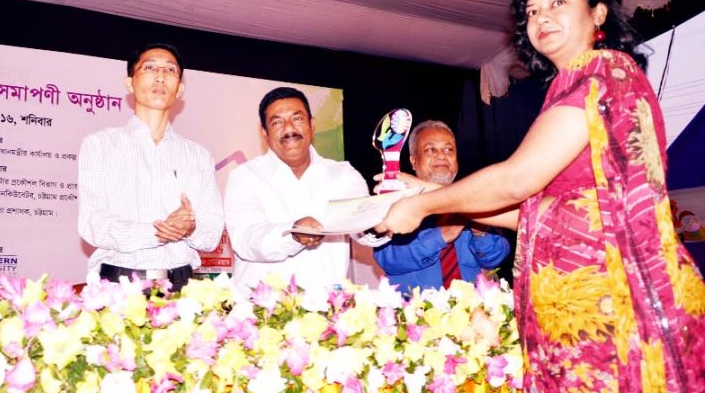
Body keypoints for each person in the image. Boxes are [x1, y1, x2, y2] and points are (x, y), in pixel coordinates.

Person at [376, 0, 705, 393]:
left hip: (615, 314)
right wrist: (426, 189)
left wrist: (421, 207)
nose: (540, 18)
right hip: (581, 319)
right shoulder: (572, 89)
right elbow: (533, 212)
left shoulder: (601, 73)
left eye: (557, 3)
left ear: (597, 14)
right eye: (530, 12)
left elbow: (517, 181)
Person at [78, 43, 223, 292]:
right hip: (118, 286)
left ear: (180, 89)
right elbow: (93, 224)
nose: (160, 76)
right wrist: (158, 232)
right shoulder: (99, 145)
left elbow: (211, 235)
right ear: (129, 83)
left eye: (170, 70)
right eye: (149, 67)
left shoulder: (198, 156)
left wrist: (190, 228)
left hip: (183, 287)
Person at [224, 87, 387, 292]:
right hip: (263, 314)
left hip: (328, 309)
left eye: (297, 118)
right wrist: (294, 234)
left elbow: (361, 226)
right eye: (277, 122)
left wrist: (381, 218)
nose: (289, 128)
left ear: (312, 125)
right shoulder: (245, 177)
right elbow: (247, 239)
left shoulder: (343, 175)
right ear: (265, 134)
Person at [373, 120, 508, 294]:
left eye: (448, 150)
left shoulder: (474, 200)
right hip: (418, 316)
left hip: (474, 315)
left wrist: (479, 231)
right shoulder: (396, 201)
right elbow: (387, 259)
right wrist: (441, 235)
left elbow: (494, 258)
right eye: (430, 150)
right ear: (413, 161)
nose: (441, 155)